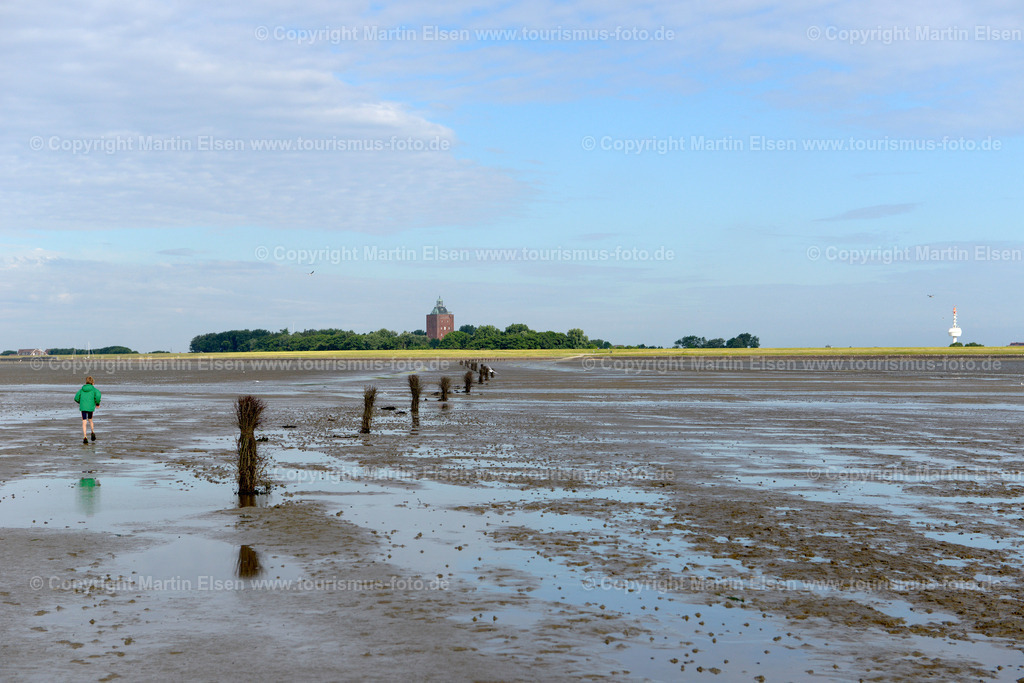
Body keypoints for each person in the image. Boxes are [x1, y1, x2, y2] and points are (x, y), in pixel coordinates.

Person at [74, 376, 101, 444]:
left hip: (83, 407)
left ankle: (85, 436)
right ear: (92, 382)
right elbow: (98, 395)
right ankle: (92, 431)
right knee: (90, 419)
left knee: (84, 421)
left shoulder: (82, 389)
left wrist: (81, 402)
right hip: (90, 407)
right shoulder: (94, 390)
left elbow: (76, 398)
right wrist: (97, 403)